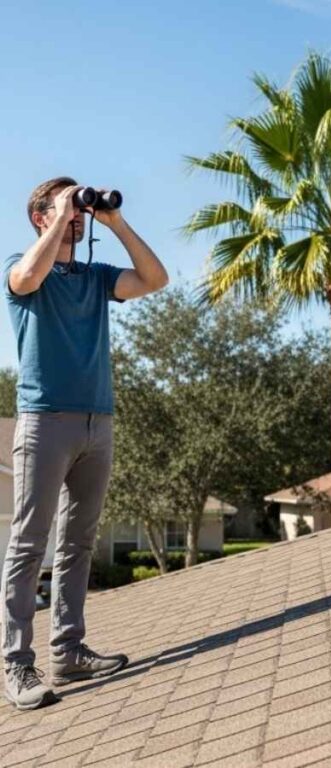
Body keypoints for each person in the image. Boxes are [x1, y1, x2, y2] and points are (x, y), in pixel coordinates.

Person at [1, 177, 169, 709]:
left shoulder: (96, 278)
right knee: (30, 543)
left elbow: (155, 278)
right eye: (67, 206)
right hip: (45, 420)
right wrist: (60, 217)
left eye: (81, 205)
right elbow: (28, 277)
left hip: (100, 420)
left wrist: (113, 221)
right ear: (40, 217)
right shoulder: (20, 266)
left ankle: (68, 652)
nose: (79, 213)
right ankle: (16, 665)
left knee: (79, 542)